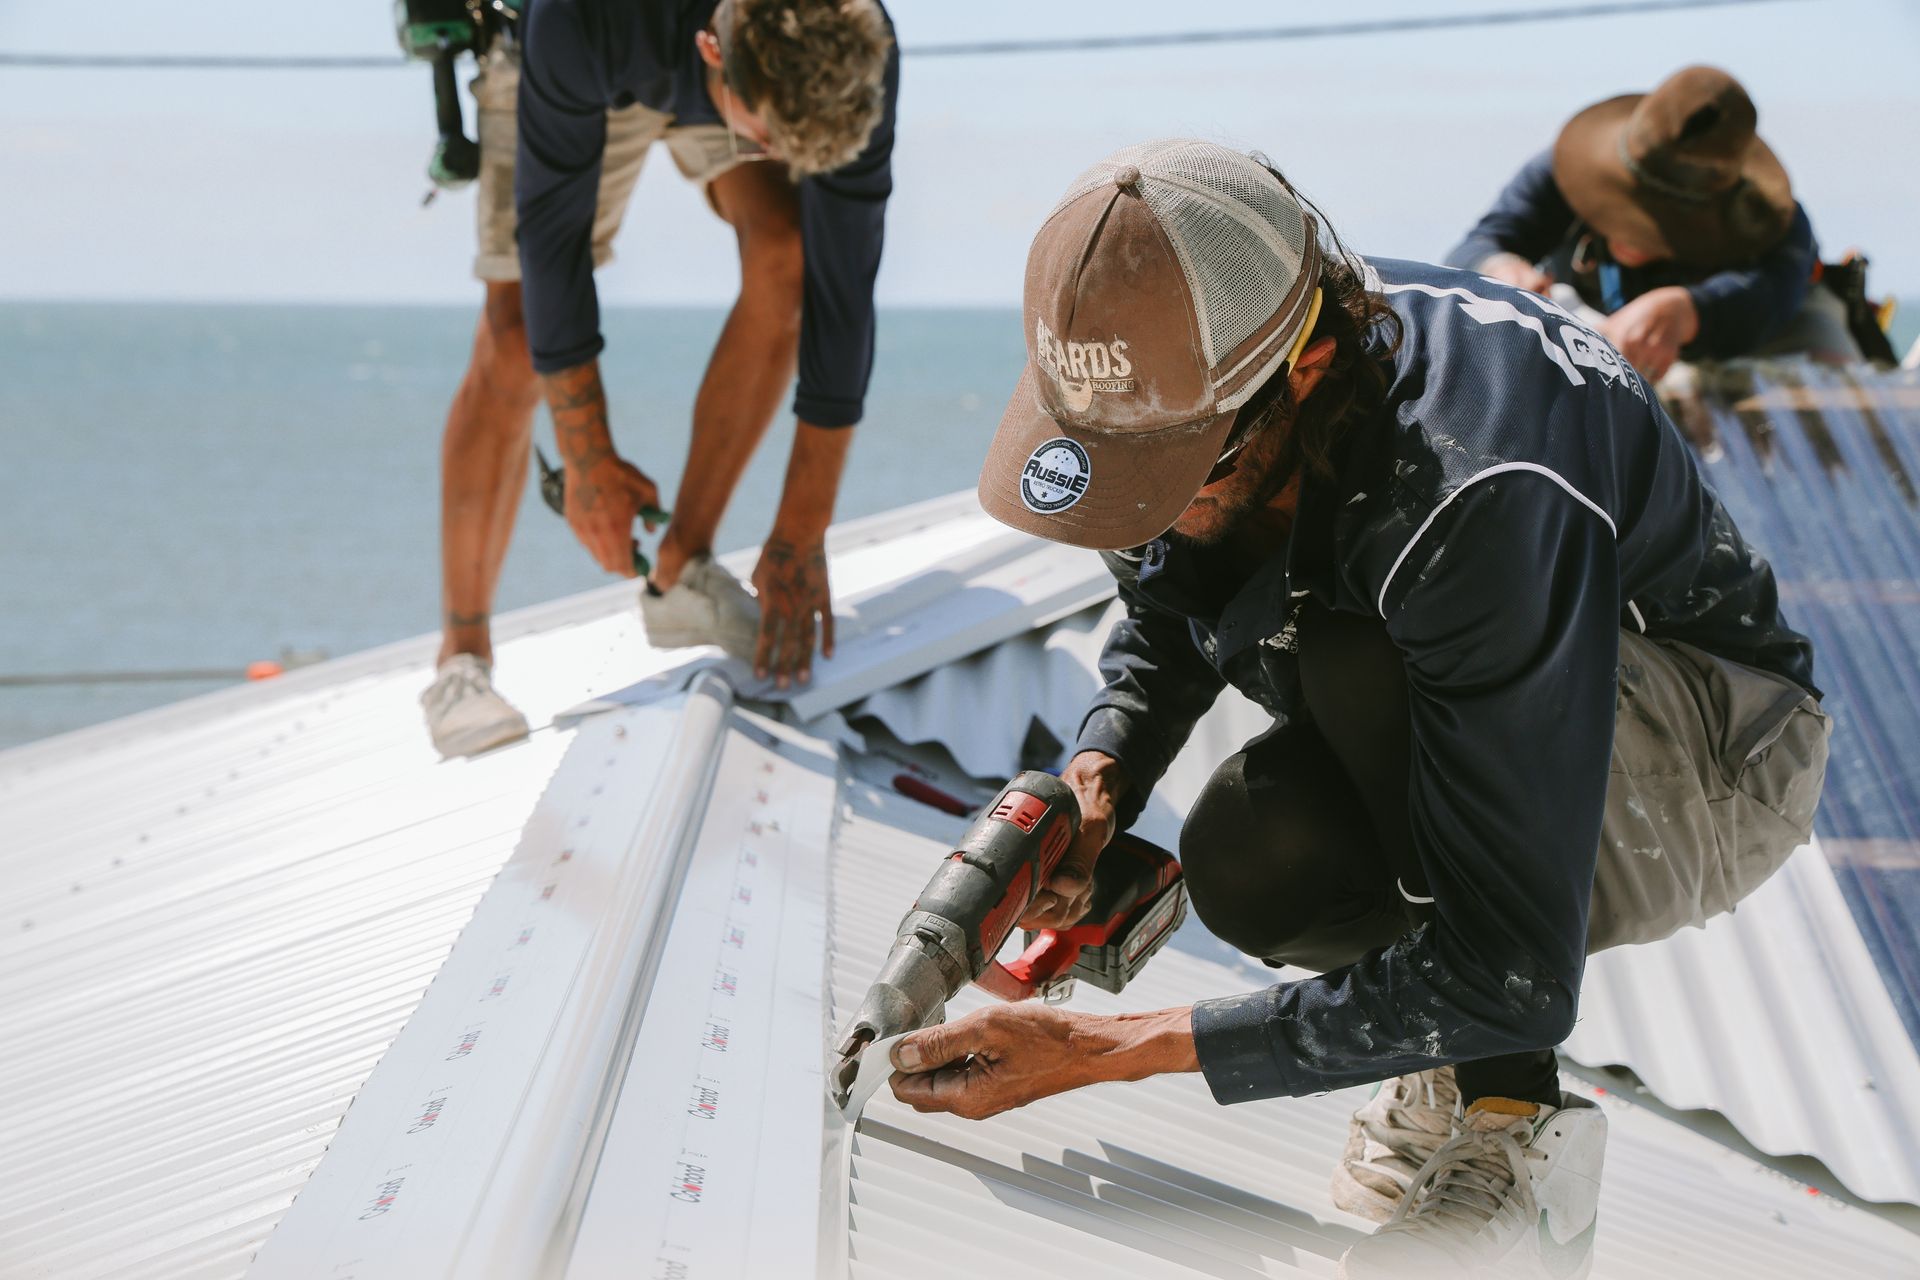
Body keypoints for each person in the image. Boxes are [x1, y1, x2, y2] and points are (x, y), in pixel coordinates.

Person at [887, 140, 1830, 1278]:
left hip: (1717, 757)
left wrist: (1097, 1049)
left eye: (1179, 472)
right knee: (1253, 851)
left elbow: (1515, 966)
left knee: (1360, 659)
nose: (1155, 514)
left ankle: (1516, 1126)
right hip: (1488, 701)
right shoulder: (1204, 352)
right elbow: (1174, 597)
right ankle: (1446, 1045)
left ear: (1308, 367)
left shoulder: (1475, 484)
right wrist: (1103, 773)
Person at [421, 0, 897, 757]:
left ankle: (679, 574)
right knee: (515, 338)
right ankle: (462, 658)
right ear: (713, 50)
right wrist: (586, 461)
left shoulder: (854, 39)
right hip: (576, 42)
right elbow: (553, 241)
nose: (776, 153)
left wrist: (803, 530)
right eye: (770, 136)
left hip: (704, 58)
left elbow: (844, 289)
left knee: (789, 255)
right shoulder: (587, 18)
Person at [1446, 65, 1858, 383]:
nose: (1630, 229)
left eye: (1660, 221)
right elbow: (1479, 244)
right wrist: (1498, 268)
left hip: (1763, 351)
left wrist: (1691, 310)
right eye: (1625, 203)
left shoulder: (1775, 222)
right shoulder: (1561, 170)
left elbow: (1774, 290)